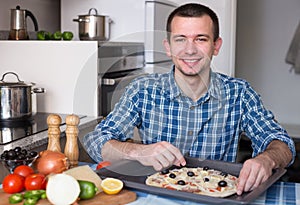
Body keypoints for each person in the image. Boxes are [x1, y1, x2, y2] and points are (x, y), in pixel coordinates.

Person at [83, 3, 295, 195]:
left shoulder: (239, 93)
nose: (190, 49)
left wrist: (266, 159)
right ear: (168, 46)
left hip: (216, 198)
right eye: (180, 39)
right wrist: (138, 151)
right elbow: (96, 141)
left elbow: (283, 144)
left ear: (216, 45)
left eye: (200, 39)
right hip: (157, 195)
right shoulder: (143, 90)